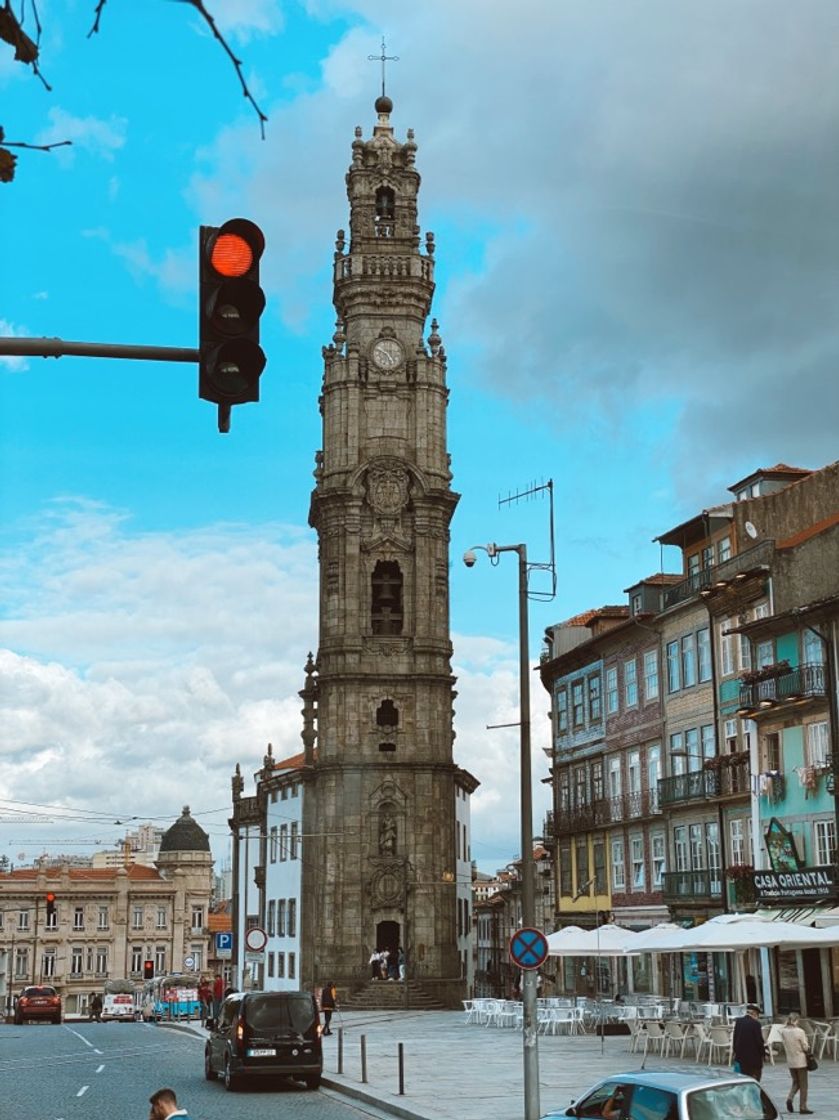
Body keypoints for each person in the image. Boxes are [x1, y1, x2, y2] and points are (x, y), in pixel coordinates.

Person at [781, 1012, 813, 1114]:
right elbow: (805, 1047)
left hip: (790, 1061)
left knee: (795, 1082)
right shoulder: (800, 1031)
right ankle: (803, 1106)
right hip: (801, 1061)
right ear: (796, 1020)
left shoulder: (784, 1031)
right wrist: (808, 1046)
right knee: (803, 1084)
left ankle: (790, 1098)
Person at [732, 1003, 767, 1081]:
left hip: (740, 1057)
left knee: (743, 1080)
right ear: (755, 1014)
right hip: (753, 1059)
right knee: (754, 1080)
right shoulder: (756, 1024)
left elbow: (735, 1037)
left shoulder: (739, 1022)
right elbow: (759, 1042)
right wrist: (763, 1054)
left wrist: (735, 1052)